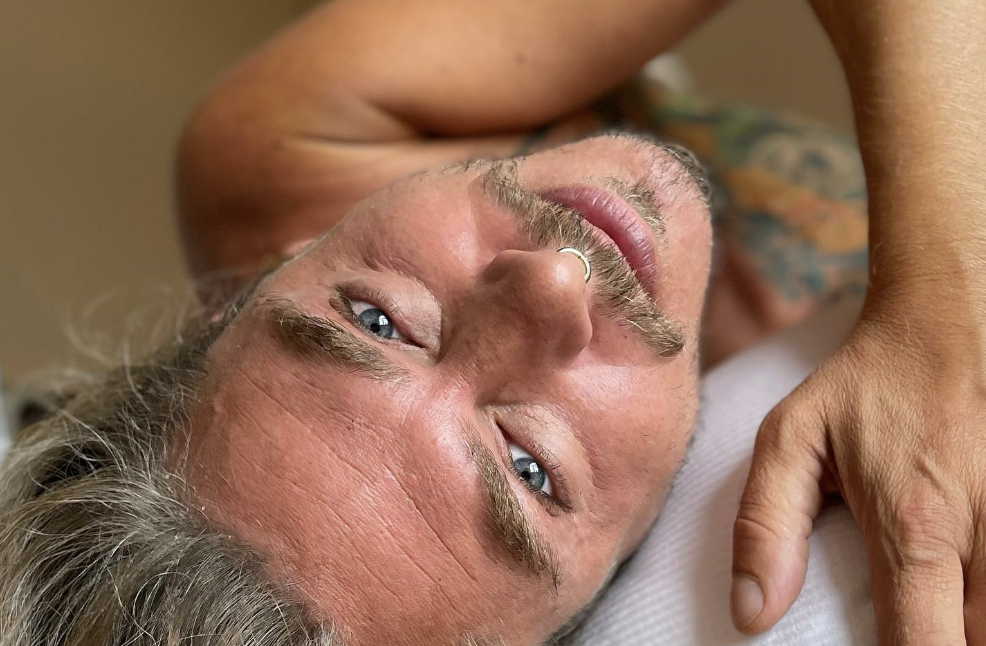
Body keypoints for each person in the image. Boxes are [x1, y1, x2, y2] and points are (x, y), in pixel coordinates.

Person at [0, 2, 983, 646]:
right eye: (528, 467)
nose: (551, 280)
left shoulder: (294, 160)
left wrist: (936, 301)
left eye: (378, 320)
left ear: (251, 286)